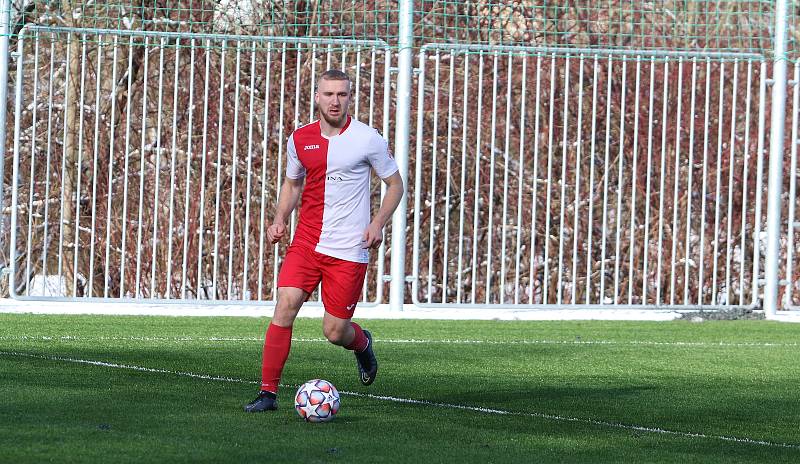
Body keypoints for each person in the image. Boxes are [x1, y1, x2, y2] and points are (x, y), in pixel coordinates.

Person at [245, 69, 404, 412]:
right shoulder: (299, 138)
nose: (335, 101)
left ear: (349, 97)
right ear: (317, 97)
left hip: (349, 249)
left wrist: (377, 223)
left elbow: (395, 185)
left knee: (334, 332)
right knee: (285, 304)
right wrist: (279, 218)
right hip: (307, 242)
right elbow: (292, 184)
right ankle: (268, 394)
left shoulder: (367, 138)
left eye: (342, 95)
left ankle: (361, 344)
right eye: (328, 94)